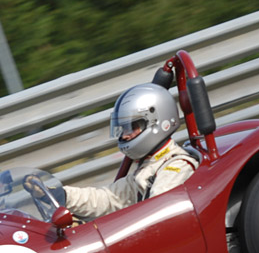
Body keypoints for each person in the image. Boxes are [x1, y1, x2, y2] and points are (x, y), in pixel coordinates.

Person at [61, 83, 198, 222]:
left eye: (132, 127)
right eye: (124, 128)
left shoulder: (176, 168)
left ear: (157, 122)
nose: (125, 136)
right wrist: (63, 195)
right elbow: (108, 199)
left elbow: (155, 219)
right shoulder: (150, 166)